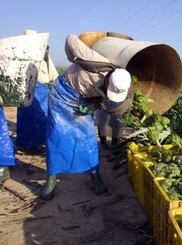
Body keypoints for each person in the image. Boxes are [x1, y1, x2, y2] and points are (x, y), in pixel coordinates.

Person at [40, 34, 131, 200]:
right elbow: (70, 39)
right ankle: (51, 180)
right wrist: (75, 60)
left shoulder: (121, 83)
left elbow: (103, 102)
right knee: (57, 137)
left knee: (87, 138)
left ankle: (95, 176)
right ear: (108, 80)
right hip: (62, 95)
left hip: (83, 99)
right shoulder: (94, 62)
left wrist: (93, 105)